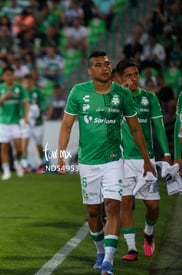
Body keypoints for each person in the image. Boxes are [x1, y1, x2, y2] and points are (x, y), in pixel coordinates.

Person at [57, 51, 156, 275]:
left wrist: (146, 160)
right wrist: (61, 154)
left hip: (113, 160)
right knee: (93, 211)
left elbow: (135, 128)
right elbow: (66, 125)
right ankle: (100, 251)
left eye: (108, 64)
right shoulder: (78, 92)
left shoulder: (122, 93)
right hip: (88, 162)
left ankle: (108, 262)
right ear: (90, 70)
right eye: (99, 65)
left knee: (112, 206)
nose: (105, 68)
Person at [116, 58, 171, 261]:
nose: (133, 79)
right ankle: (132, 249)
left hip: (146, 160)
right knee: (126, 202)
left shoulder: (150, 98)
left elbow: (158, 128)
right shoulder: (117, 99)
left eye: (135, 74)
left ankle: (148, 232)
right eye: (128, 76)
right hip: (123, 160)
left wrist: (166, 155)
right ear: (121, 79)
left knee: (153, 207)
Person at [0, 66, 30, 180]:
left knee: (19, 148)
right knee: (4, 147)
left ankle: (17, 162)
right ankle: (6, 171)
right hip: (3, 122)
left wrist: (26, 116)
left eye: (11, 75)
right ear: (4, 76)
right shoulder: (0, 88)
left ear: (13, 76)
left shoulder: (19, 88)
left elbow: (26, 102)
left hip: (16, 122)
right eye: (7, 75)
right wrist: (4, 97)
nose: (9, 77)